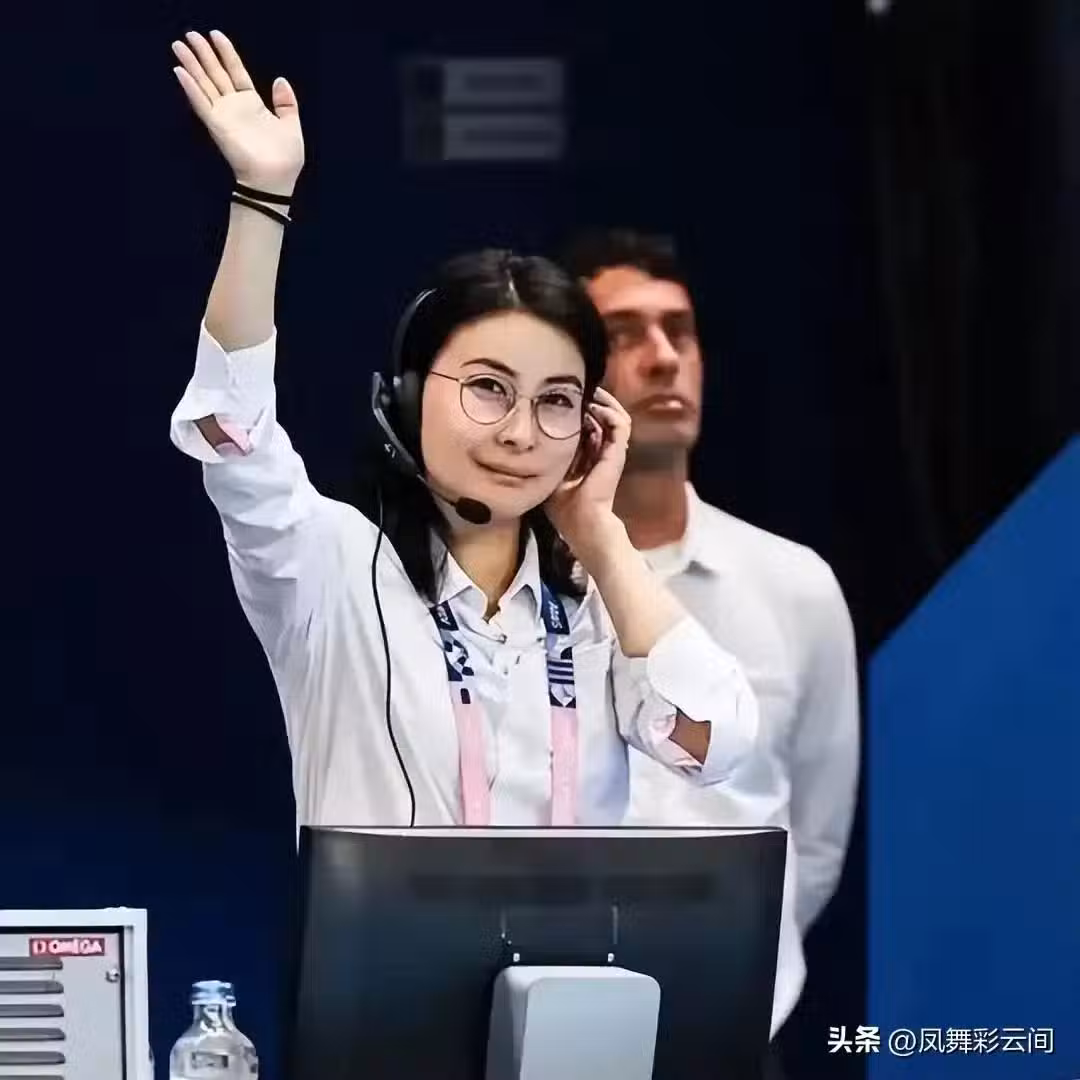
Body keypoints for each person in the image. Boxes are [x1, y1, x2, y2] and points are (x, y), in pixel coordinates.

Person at [167, 32, 760, 830]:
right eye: (487, 389)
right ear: (409, 397)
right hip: (375, 922)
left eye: (556, 401)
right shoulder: (329, 565)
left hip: (572, 925)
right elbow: (229, 423)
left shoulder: (598, 607)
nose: (520, 432)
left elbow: (713, 743)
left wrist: (599, 534)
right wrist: (263, 198)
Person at [564, 229, 860, 1050]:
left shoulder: (794, 585)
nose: (663, 358)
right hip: (554, 1025)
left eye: (680, 332)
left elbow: (814, 841)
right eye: (624, 334)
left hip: (740, 1028)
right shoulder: (516, 586)